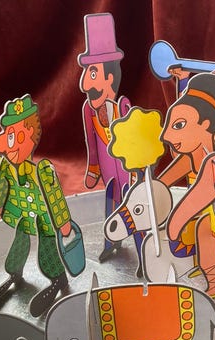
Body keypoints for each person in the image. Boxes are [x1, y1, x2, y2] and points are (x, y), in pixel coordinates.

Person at [0, 94, 73, 316]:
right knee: (20, 241)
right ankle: (15, 272)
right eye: (7, 134)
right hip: (23, 215)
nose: (5, 142)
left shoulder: (42, 170)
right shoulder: (6, 165)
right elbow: (2, 185)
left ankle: (57, 278)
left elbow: (54, 197)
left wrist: (63, 223)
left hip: (44, 220)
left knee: (47, 250)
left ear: (28, 135)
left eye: (12, 135)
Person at [158, 73, 215, 297]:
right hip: (193, 210)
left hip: (211, 212)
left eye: (178, 126)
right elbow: (164, 180)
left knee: (204, 236)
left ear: (206, 125)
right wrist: (154, 187)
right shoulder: (188, 156)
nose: (166, 136)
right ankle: (195, 264)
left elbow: (203, 193)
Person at [78, 13, 132, 262]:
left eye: (92, 74)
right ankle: (111, 243)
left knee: (132, 210)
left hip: (128, 174)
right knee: (111, 206)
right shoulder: (88, 111)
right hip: (109, 175)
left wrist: (138, 174)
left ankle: (142, 247)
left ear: (110, 78)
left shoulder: (123, 107)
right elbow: (92, 144)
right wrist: (93, 169)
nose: (84, 85)